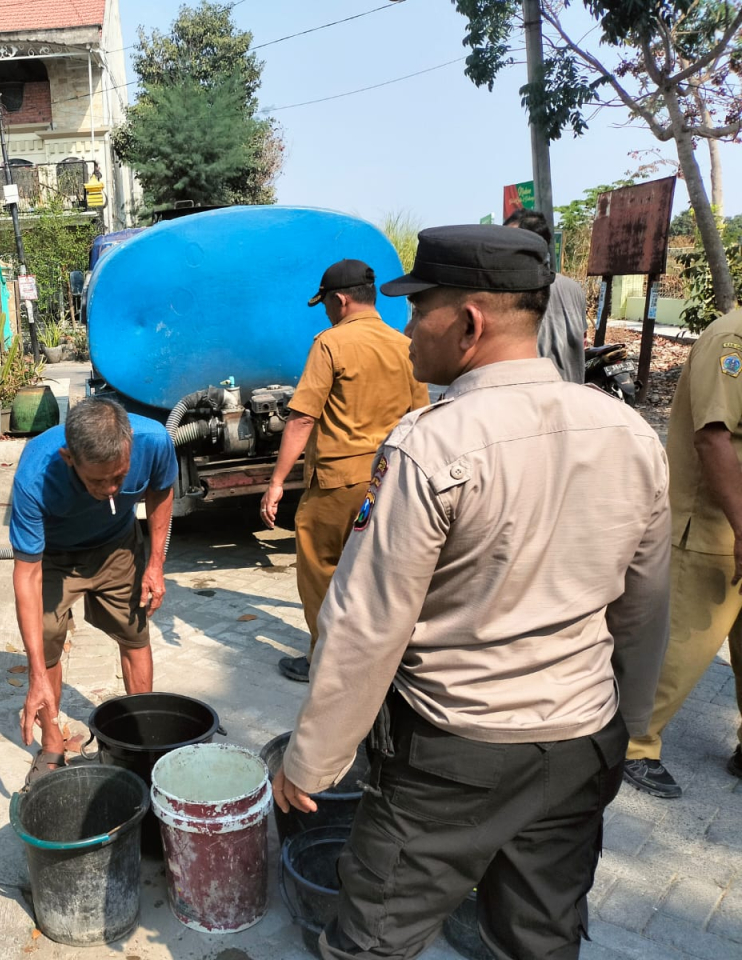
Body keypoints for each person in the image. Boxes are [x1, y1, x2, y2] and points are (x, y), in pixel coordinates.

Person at [273, 225, 669, 960]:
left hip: (454, 754)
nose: (408, 325)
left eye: (419, 306)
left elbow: (367, 625)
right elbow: (645, 606)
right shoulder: (630, 434)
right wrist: (631, 724)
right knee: (540, 937)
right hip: (581, 744)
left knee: (374, 937)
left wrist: (312, 759)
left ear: (469, 320)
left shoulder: (430, 446)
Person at [260, 259, 428, 683]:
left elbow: (301, 419)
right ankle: (382, 659)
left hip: (336, 484)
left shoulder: (331, 344)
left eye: (327, 306)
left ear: (340, 300)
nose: (327, 314)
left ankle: (325, 661)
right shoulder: (403, 344)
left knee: (321, 569)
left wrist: (277, 482)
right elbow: (421, 416)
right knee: (380, 572)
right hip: (389, 479)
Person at [10, 397, 175, 783]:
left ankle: (139, 741)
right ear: (69, 458)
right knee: (46, 637)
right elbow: (27, 575)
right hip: (54, 553)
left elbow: (161, 491)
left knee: (135, 631)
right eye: (97, 480)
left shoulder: (153, 440)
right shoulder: (35, 474)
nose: (112, 489)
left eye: (119, 476)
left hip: (117, 546)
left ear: (130, 446)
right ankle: (51, 744)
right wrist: (34, 672)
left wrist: (155, 563)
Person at [623, 305, 742, 798]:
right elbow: (713, 438)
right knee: (679, 648)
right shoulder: (732, 339)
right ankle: (632, 744)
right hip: (714, 529)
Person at [504, 208, 587, 383]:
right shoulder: (574, 288)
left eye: (509, 242)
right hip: (569, 394)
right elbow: (583, 340)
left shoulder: (511, 288)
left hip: (531, 397)